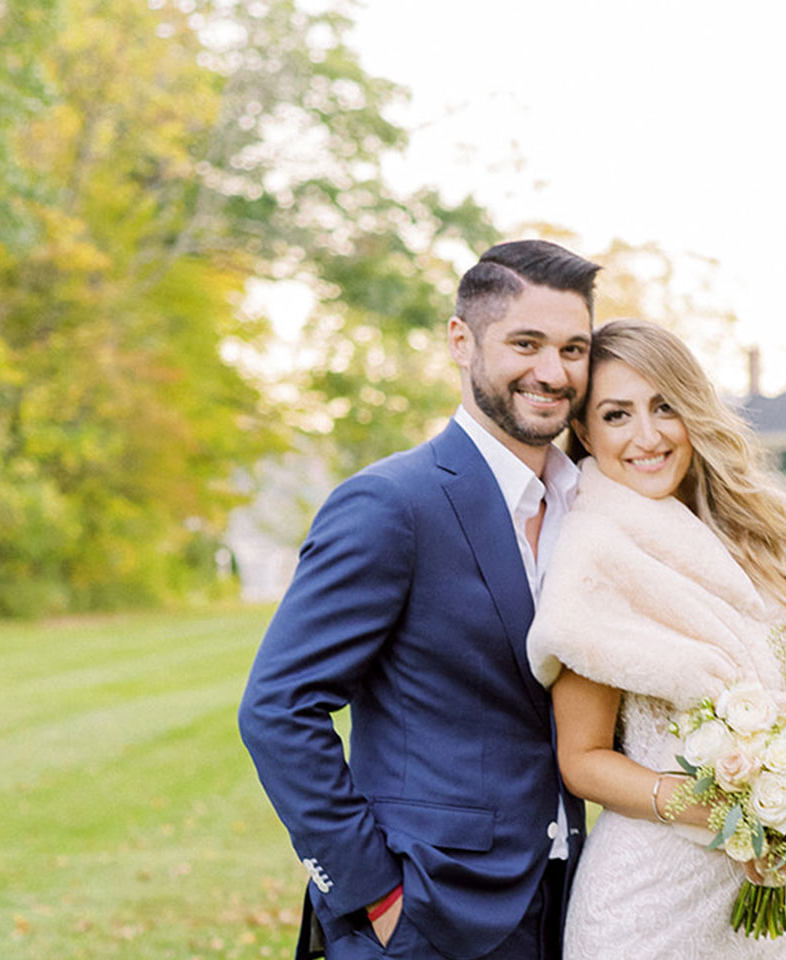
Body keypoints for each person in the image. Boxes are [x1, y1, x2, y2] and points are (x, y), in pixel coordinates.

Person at [238, 239, 603, 960]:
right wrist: (370, 890)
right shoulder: (391, 504)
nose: (552, 372)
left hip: (569, 903)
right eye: (525, 343)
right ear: (461, 342)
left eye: (573, 349)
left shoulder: (588, 508)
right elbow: (278, 707)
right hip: (425, 911)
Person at [525, 319, 786, 958]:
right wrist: (732, 811)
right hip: (646, 906)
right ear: (583, 432)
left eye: (665, 406)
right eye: (616, 415)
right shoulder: (598, 553)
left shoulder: (758, 538)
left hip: (765, 901)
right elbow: (581, 761)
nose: (647, 435)